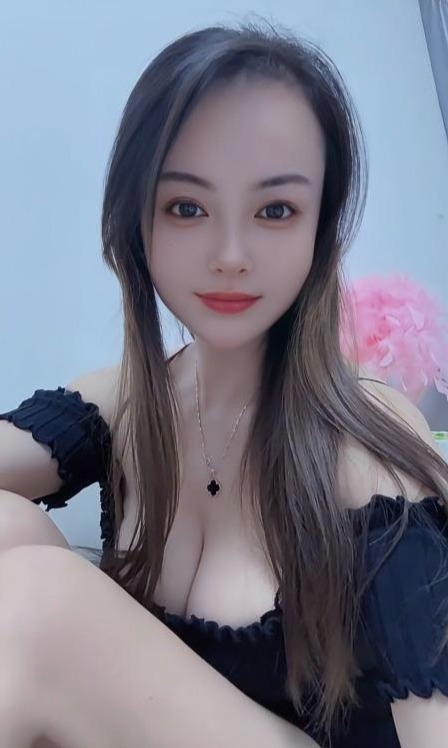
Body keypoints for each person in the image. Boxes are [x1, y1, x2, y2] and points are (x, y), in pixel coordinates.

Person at [0, 20, 448, 748]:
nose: (231, 254)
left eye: (275, 210)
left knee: (37, 604)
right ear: (135, 222)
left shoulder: (365, 440)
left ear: (321, 226)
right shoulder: (128, 401)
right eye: (187, 207)